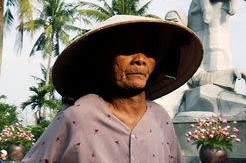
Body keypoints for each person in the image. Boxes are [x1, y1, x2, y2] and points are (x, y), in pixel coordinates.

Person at [22, 15, 203, 162]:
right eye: (127, 49)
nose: (140, 59)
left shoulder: (160, 117)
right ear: (103, 60)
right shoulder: (77, 116)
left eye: (149, 52)